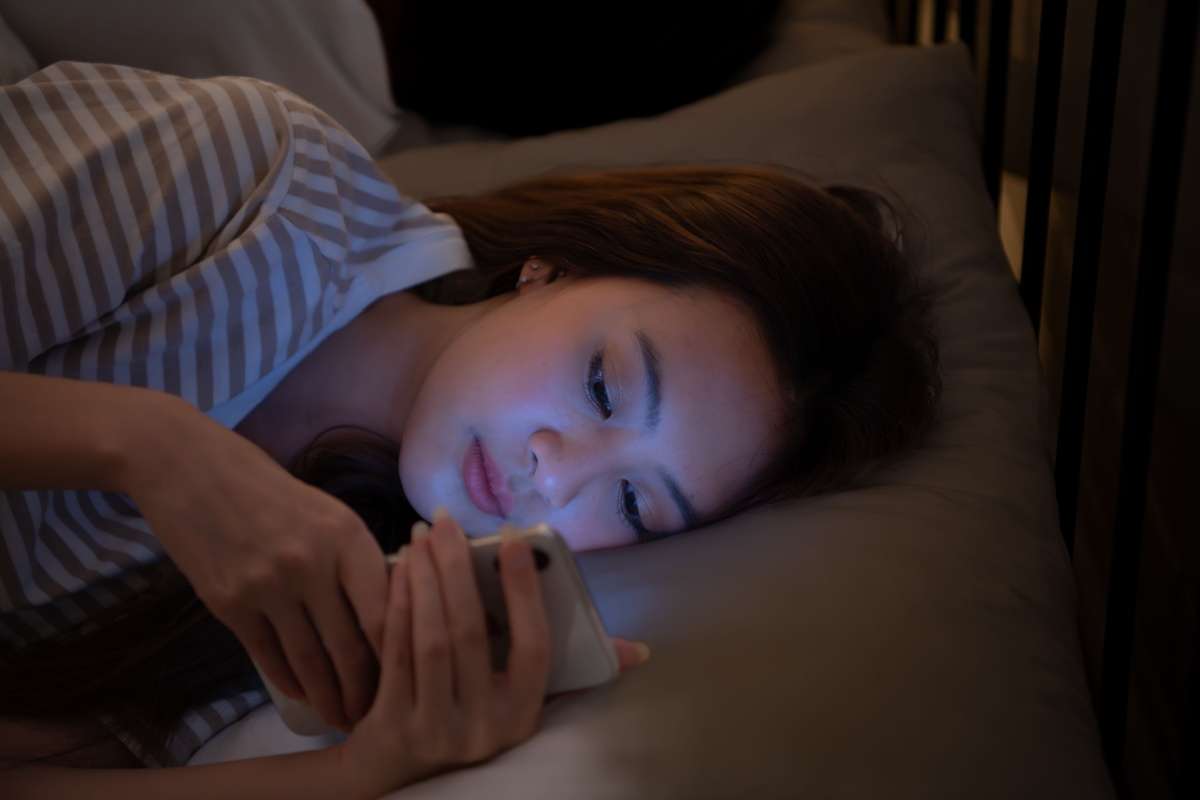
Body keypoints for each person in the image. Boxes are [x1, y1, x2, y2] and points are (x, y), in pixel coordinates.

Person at [0, 61, 941, 796]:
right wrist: (148, 444)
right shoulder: (253, 178)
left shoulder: (379, 596)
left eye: (634, 501)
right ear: (556, 266)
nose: (558, 474)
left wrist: (364, 770)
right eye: (606, 388)